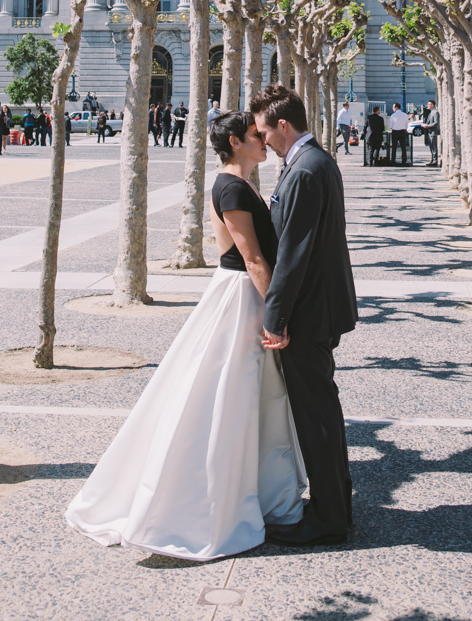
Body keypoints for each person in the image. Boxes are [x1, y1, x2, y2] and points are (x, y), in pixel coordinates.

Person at [66, 109, 305, 558]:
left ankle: (252, 488)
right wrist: (278, 315)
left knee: (246, 395)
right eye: (257, 135)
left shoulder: (242, 183)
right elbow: (252, 259)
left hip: (243, 295)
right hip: (241, 295)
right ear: (236, 141)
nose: (265, 141)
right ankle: (210, 501)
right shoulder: (232, 186)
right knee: (229, 396)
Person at [250, 84, 357, 547]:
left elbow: (293, 255)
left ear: (283, 125)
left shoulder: (305, 171)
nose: (263, 140)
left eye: (264, 131)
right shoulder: (315, 163)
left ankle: (330, 518)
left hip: (310, 314)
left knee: (316, 417)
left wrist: (275, 319)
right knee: (322, 412)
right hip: (321, 308)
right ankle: (334, 503)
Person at [387, 102, 409, 166]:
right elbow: (406, 125)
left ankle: (393, 161)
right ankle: (404, 161)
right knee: (403, 147)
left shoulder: (393, 115)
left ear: (396, 107)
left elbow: (390, 126)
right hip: (402, 131)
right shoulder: (404, 115)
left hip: (395, 132)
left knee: (394, 147)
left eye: (393, 107)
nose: (392, 108)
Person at [424, 99, 439, 166]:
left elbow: (436, 123)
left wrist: (428, 126)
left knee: (434, 147)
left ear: (432, 105)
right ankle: (433, 160)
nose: (428, 106)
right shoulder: (430, 112)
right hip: (429, 132)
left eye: (429, 104)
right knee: (431, 147)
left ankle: (435, 161)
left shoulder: (435, 112)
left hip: (433, 132)